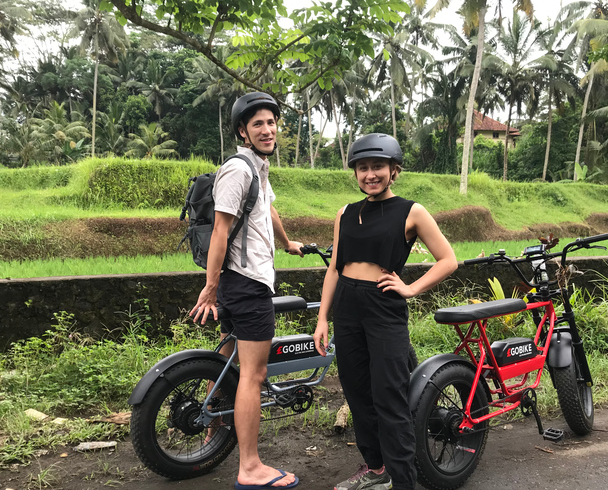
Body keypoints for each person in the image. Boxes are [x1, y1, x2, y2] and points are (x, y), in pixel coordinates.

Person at [313, 133, 458, 490]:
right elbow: (334, 268)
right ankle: (376, 469)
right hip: (347, 306)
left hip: (383, 307)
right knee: (357, 391)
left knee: (389, 397)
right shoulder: (345, 213)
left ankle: (403, 482)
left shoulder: (412, 211)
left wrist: (410, 288)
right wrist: (322, 318)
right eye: (363, 168)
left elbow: (449, 260)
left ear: (394, 170)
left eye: (378, 167)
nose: (370, 174)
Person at [190, 91, 304, 490]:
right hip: (246, 284)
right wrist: (210, 287)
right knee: (252, 375)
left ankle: (213, 432)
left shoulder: (259, 168)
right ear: (243, 130)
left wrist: (288, 243)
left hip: (241, 282)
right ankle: (250, 467)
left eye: (271, 122)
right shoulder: (238, 169)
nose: (267, 129)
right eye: (258, 123)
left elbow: (268, 209)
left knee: (226, 357)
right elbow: (221, 229)